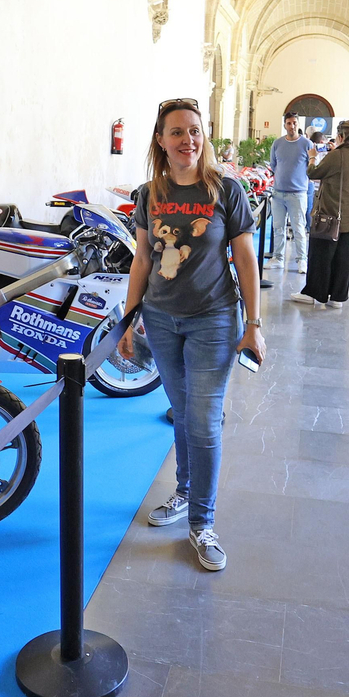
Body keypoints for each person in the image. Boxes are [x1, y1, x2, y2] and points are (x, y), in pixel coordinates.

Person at [121, 98, 265, 573]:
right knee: (182, 414)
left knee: (203, 420)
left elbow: (245, 259)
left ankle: (202, 524)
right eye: (177, 132)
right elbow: (142, 258)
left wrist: (254, 325)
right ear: (161, 140)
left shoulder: (225, 190)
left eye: (195, 131)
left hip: (214, 320)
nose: (188, 140)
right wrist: (128, 319)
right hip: (161, 321)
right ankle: (184, 491)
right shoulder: (149, 194)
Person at [291, 121, 349, 309]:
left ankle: (313, 293)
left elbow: (313, 173)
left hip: (329, 215)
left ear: (340, 137)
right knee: (344, 258)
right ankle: (337, 297)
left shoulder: (336, 156)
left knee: (321, 255)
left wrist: (312, 158)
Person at [267, 112, 314, 276]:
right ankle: (278, 258)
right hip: (278, 193)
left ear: (298, 124)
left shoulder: (307, 144)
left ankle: (302, 260)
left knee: (299, 228)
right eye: (288, 123)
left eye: (294, 122)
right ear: (285, 125)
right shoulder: (278, 143)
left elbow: (313, 166)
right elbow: (274, 164)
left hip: (298, 194)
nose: (291, 126)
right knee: (278, 227)